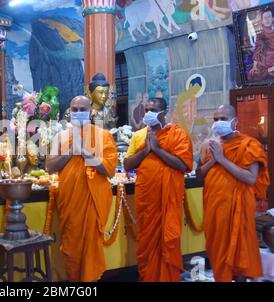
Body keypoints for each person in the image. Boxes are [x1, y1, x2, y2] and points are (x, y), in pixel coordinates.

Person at [47, 96, 117, 282]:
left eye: (82, 109)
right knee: (71, 248)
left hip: (93, 200)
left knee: (91, 247)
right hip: (70, 201)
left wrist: (86, 152)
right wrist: (71, 152)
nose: (78, 113)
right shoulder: (60, 137)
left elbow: (108, 170)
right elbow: (50, 166)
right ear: (69, 111)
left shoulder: (103, 136)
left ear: (91, 111)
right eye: (74, 109)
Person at [196, 104, 269, 282]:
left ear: (234, 121)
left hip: (238, 209)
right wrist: (213, 160)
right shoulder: (208, 145)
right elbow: (199, 175)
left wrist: (222, 159)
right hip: (214, 208)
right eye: (215, 120)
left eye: (223, 119)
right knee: (217, 250)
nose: (218, 123)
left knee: (239, 252)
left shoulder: (249, 145)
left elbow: (250, 178)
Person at [124, 97, 193, 282]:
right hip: (147, 198)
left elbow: (183, 164)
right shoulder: (139, 136)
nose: (147, 114)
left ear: (164, 113)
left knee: (168, 240)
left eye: (152, 110)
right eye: (146, 110)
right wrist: (145, 151)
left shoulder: (177, 134)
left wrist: (158, 150)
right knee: (147, 242)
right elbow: (127, 164)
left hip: (168, 199)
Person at [249, 10, 274, 82]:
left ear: (272, 18)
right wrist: (254, 66)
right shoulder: (260, 34)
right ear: (262, 21)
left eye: (269, 17)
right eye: (265, 18)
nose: (267, 20)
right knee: (253, 73)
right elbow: (257, 50)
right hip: (265, 60)